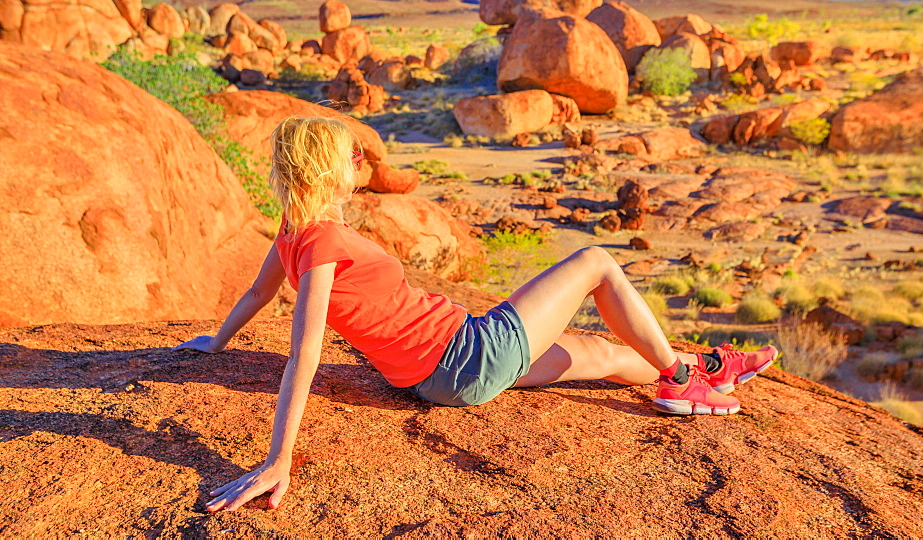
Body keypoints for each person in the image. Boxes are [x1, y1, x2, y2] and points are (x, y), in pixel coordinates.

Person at [174, 116, 777, 513]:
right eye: (353, 154)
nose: (363, 161)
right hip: (469, 354)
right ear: (329, 167)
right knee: (595, 261)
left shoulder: (294, 232)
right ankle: (679, 378)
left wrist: (217, 344)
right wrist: (279, 458)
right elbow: (303, 353)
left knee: (610, 356)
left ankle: (703, 370)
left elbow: (256, 295)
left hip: (440, 376)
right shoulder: (323, 244)